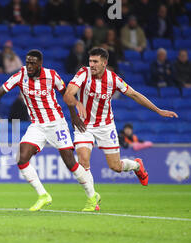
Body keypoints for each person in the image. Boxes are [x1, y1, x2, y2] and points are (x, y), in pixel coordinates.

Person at [0, 49, 99, 212]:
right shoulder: (20, 76)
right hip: (37, 126)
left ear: (40, 63)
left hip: (56, 123)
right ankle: (43, 195)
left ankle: (92, 197)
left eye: (33, 63)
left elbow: (67, 95)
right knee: (21, 157)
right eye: (27, 62)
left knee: (70, 162)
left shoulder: (51, 75)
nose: (29, 66)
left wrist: (74, 116)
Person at [63, 47, 178, 202]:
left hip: (105, 126)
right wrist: (76, 103)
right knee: (83, 161)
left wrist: (158, 110)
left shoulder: (113, 79)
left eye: (95, 61)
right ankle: (92, 199)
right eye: (90, 61)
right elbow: (69, 92)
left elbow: (134, 95)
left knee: (115, 167)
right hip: (84, 125)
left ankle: (137, 166)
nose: (92, 64)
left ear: (104, 63)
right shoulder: (84, 73)